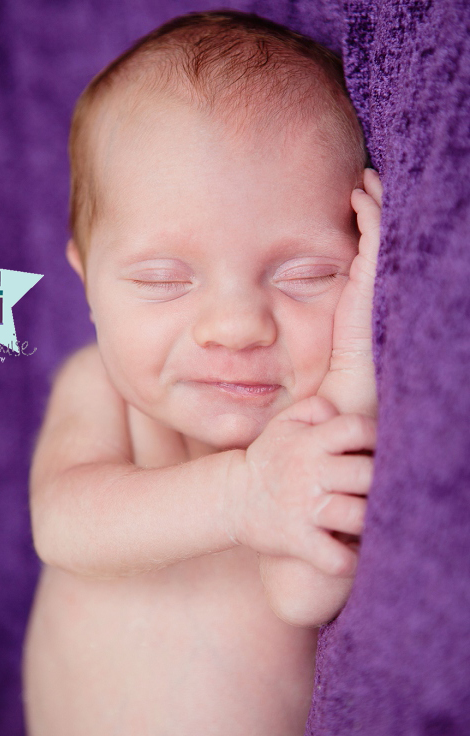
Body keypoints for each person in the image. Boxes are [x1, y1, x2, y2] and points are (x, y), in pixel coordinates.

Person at [24, 11, 382, 733]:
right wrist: (238, 497)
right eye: (163, 279)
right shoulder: (97, 387)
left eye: (308, 275)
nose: (236, 326)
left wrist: (352, 361)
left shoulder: (303, 437)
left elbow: (304, 592)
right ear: (87, 283)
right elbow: (63, 523)